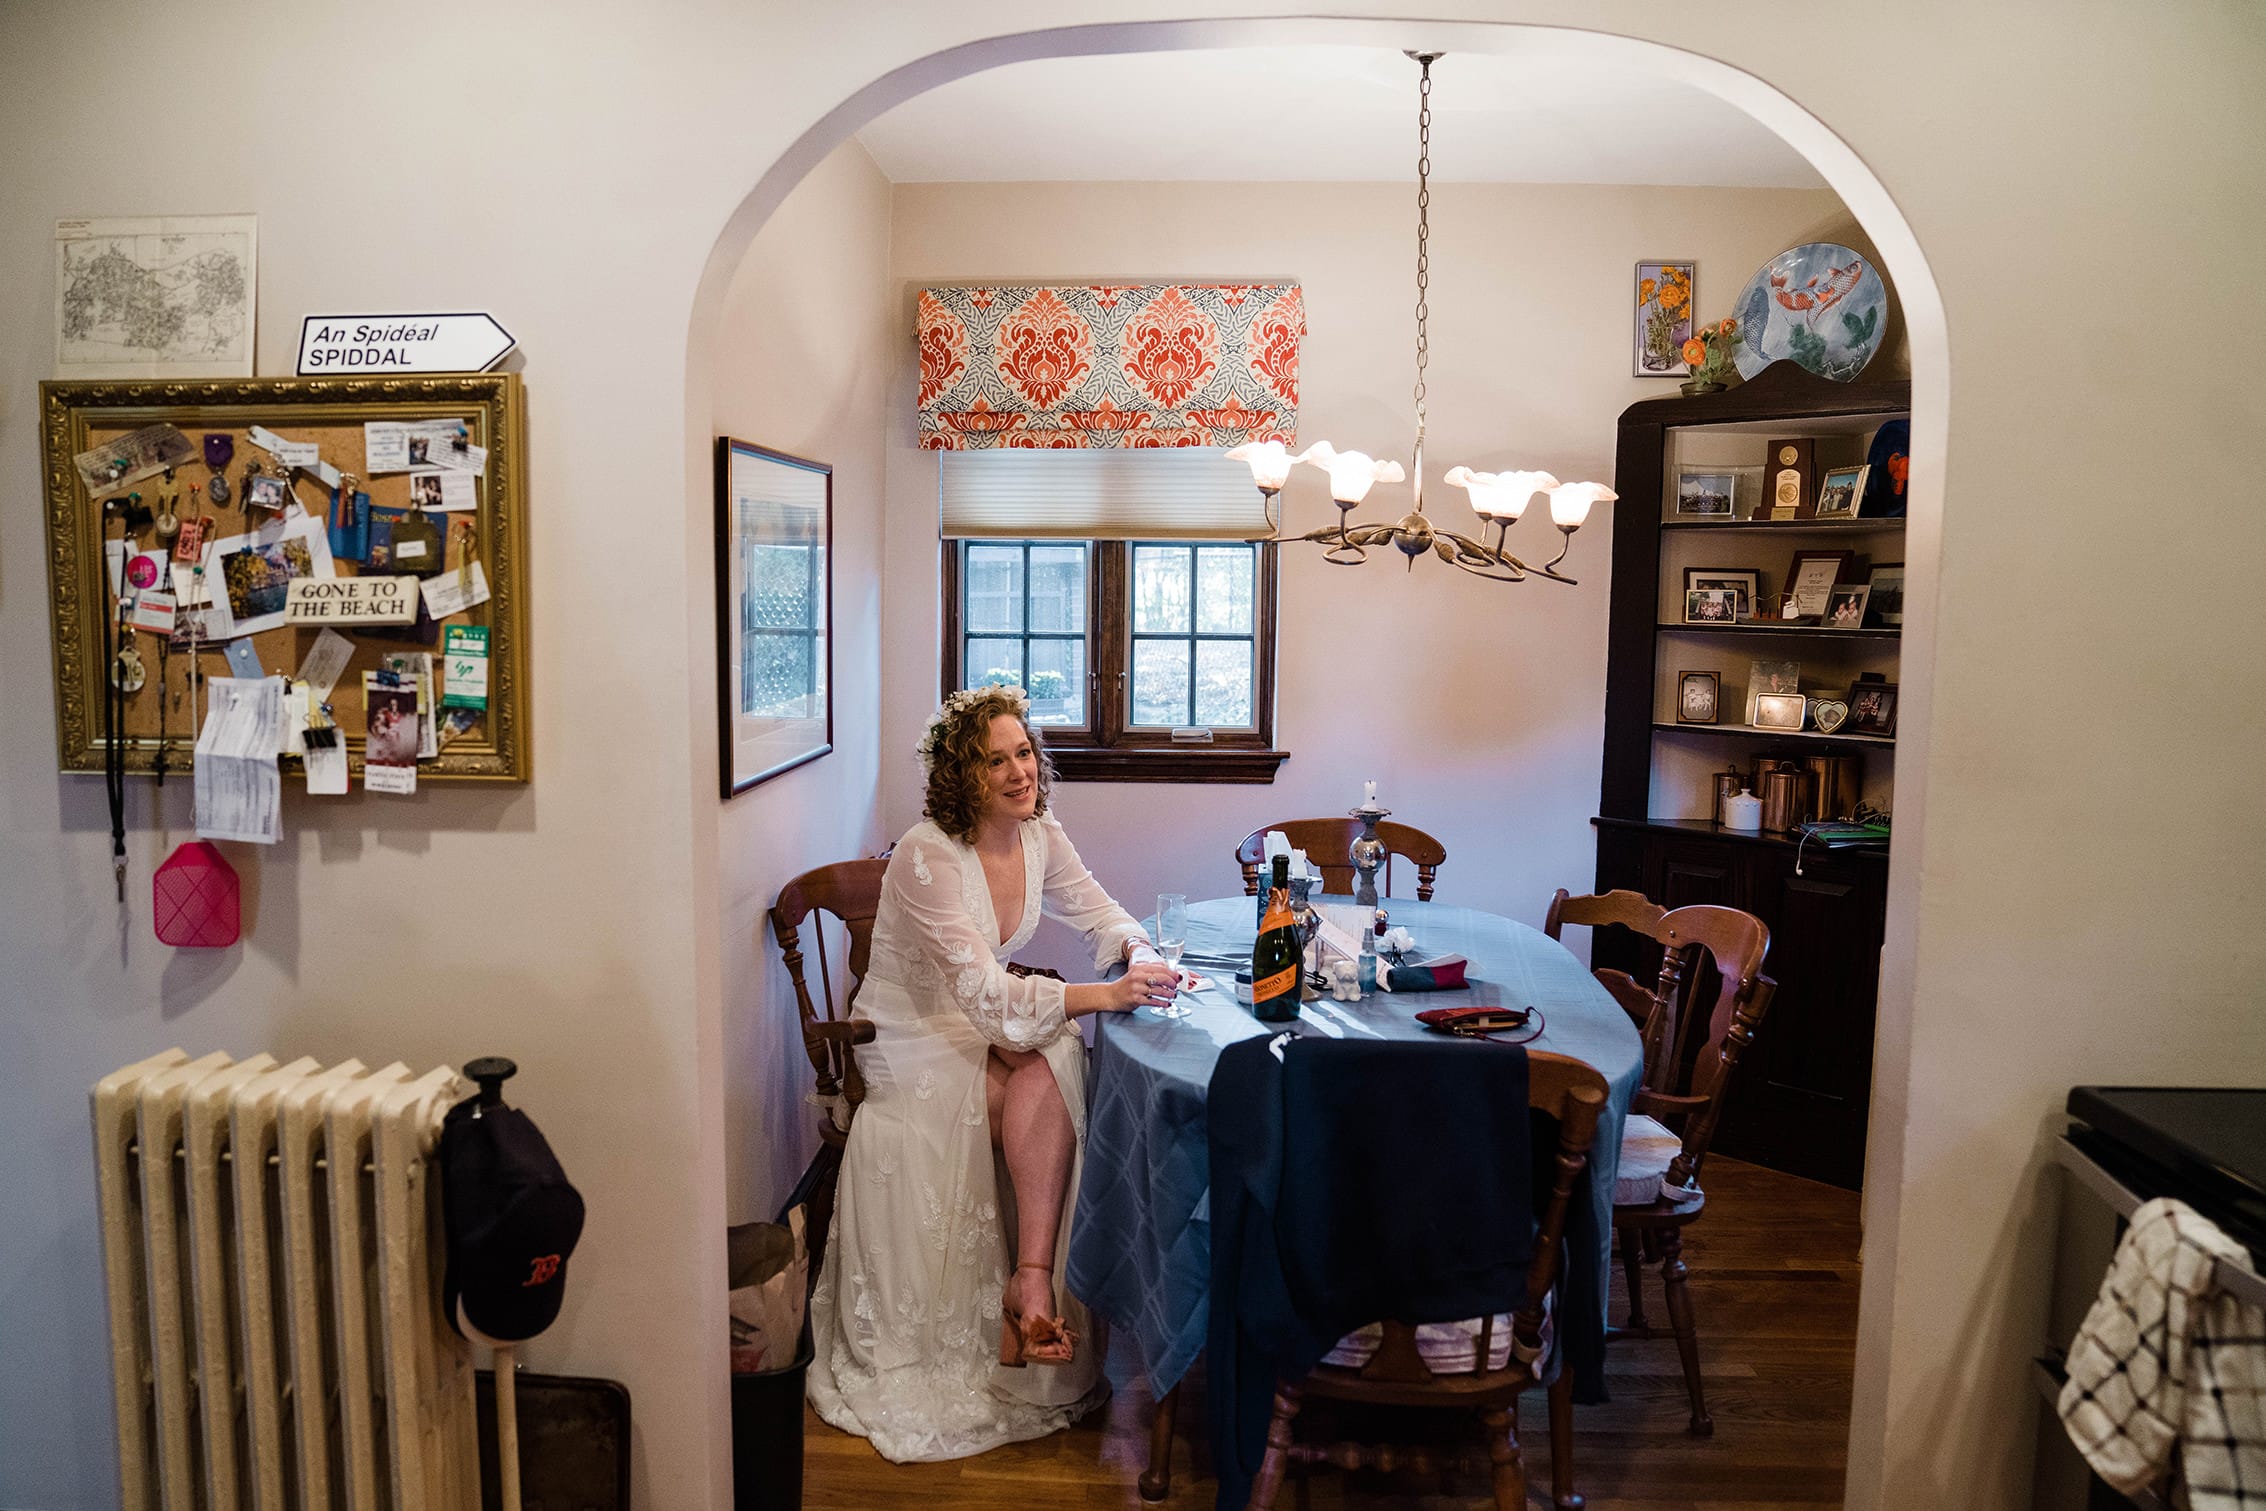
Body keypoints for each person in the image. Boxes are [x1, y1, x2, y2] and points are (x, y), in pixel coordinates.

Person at [806, 684, 1179, 1462]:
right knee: (1049, 1058)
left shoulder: (1039, 832)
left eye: (1023, 754)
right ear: (960, 776)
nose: (1018, 773)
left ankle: (1030, 1280)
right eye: (994, 761)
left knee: (1057, 1060)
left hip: (981, 1021)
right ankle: (1025, 1295)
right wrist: (1100, 993)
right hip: (911, 1034)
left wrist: (1138, 952)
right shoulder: (924, 853)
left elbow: (1102, 911)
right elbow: (982, 992)